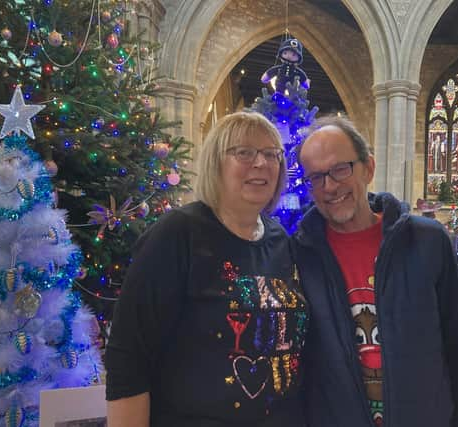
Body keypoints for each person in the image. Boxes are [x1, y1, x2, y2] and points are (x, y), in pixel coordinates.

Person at [105, 111, 309, 427]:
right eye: (244, 152)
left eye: (272, 154)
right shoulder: (178, 234)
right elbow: (129, 356)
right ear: (216, 163)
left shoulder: (280, 239)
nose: (261, 163)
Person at [293, 116, 458, 427]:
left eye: (340, 169)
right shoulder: (301, 257)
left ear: (368, 168)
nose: (329, 187)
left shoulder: (427, 242)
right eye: (316, 177)